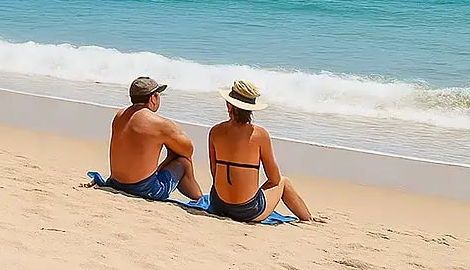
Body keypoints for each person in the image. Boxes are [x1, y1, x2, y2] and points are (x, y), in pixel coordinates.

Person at [207, 80, 314, 222]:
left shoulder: (215, 131)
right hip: (247, 211)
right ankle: (308, 219)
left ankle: (309, 219)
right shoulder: (260, 135)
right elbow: (274, 179)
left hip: (218, 205)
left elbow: (214, 171)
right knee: (283, 181)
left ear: (229, 105)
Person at [104, 76, 204, 201]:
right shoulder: (159, 124)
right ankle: (199, 198)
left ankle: (198, 198)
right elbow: (188, 150)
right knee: (183, 161)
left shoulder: (119, 115)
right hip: (144, 189)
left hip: (115, 182)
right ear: (152, 98)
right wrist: (171, 154)